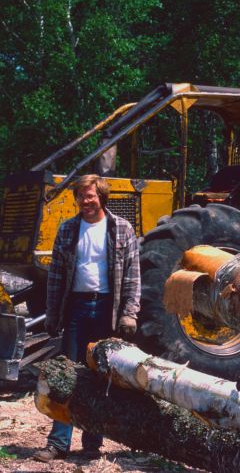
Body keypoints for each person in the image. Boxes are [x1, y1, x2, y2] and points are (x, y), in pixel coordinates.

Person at [33, 174, 141, 462]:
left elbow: (132, 276)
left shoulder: (122, 229)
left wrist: (129, 314)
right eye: (81, 196)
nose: (85, 201)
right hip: (77, 308)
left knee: (100, 376)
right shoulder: (68, 230)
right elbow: (55, 277)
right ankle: (58, 443)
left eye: (90, 196)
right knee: (67, 375)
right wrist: (53, 314)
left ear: (101, 197)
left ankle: (92, 441)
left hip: (108, 309)